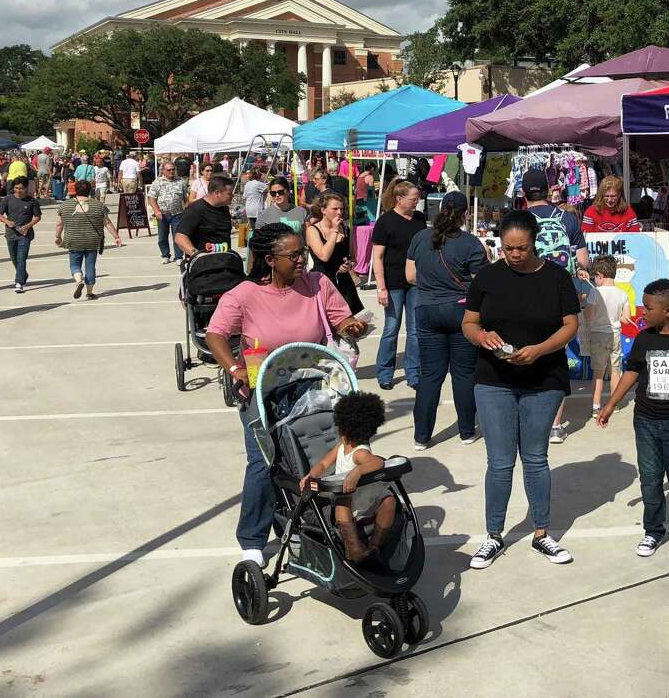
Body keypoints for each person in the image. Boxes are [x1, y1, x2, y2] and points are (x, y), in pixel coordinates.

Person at [205, 223, 368, 567]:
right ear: (269, 260)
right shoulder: (244, 295)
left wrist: (354, 326)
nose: (302, 261)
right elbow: (216, 334)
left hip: (313, 386)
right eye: (293, 255)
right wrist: (234, 369)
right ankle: (252, 537)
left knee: (328, 452)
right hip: (262, 387)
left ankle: (321, 525)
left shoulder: (317, 283)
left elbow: (344, 320)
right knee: (264, 461)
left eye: (303, 254)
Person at [460, 210, 580, 569]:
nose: (514, 255)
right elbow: (469, 322)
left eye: (522, 248)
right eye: (508, 248)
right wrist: (481, 337)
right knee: (499, 462)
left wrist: (540, 350)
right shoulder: (488, 276)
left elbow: (571, 324)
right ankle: (494, 534)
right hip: (494, 380)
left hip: (544, 380)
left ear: (535, 242)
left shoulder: (557, 277)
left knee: (535, 457)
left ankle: (542, 533)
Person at [597, 279, 669, 558]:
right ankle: (653, 531)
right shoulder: (644, 339)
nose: (642, 313)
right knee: (650, 478)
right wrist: (611, 404)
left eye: (648, 307)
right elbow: (632, 373)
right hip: (646, 421)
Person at [405, 191, 488, 449]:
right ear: (466, 214)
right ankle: (466, 431)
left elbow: (409, 276)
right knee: (463, 374)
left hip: (427, 309)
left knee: (430, 375)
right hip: (460, 310)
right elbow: (482, 283)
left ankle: (421, 436)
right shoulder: (470, 243)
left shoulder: (420, 237)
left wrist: (432, 285)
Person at [521, 167, 590, 443]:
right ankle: (556, 425)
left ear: (523, 193)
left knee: (527, 353)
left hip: (526, 294)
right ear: (550, 191)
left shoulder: (518, 220)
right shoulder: (567, 218)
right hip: (561, 294)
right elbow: (583, 261)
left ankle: (528, 420)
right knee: (555, 356)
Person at [298, 391, 398, 561]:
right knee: (344, 501)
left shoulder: (360, 453)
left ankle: (372, 546)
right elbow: (323, 464)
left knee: (388, 502)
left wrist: (357, 471)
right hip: (350, 493)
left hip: (362, 494)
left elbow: (377, 463)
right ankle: (355, 547)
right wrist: (310, 475)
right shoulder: (342, 445)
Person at [371, 179, 426, 391]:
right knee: (391, 328)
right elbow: (378, 257)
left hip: (415, 282)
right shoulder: (385, 222)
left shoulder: (420, 219)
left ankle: (413, 372)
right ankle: (385, 373)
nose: (416, 203)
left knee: (415, 330)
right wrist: (381, 287)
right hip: (392, 283)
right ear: (399, 198)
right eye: (413, 199)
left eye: (417, 199)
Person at [55, 180, 121, 300]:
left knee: (74, 265)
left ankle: (79, 279)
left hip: (73, 240)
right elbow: (107, 223)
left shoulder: (65, 205)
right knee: (90, 266)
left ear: (75, 190)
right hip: (92, 240)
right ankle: (89, 292)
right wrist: (116, 237)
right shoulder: (99, 205)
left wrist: (58, 237)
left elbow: (60, 224)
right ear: (89, 190)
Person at [584, 256, 632, 417]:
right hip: (615, 334)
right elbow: (626, 319)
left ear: (600, 275)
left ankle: (596, 407)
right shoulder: (622, 294)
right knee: (615, 371)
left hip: (598, 335)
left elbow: (588, 316)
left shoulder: (594, 292)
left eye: (594, 277)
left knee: (598, 373)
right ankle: (614, 404)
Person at [306, 191, 363, 314]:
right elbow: (324, 256)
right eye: (335, 208)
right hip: (322, 281)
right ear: (323, 210)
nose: (339, 212)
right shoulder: (313, 230)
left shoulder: (346, 229)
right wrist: (334, 231)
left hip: (343, 281)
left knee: (347, 325)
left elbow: (352, 256)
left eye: (341, 209)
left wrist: (349, 265)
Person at [0, 177, 41, 294]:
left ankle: (19, 282)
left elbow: (37, 217)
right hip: (11, 234)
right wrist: (7, 222)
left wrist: (28, 226)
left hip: (25, 235)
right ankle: (23, 274)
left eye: (21, 188)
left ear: (26, 188)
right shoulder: (7, 199)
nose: (18, 190)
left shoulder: (32, 201)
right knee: (14, 258)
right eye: (16, 188)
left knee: (21, 258)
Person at [175, 174, 234, 257]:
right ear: (217, 193)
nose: (232, 196)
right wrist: (197, 254)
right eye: (229, 194)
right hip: (204, 265)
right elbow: (180, 237)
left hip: (224, 261)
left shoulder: (224, 208)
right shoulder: (195, 209)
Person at [147, 161, 187, 264]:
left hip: (177, 213)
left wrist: (186, 210)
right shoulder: (157, 182)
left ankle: (179, 256)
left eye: (173, 169)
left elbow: (185, 198)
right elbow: (151, 198)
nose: (171, 171)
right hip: (162, 214)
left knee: (178, 236)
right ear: (163, 171)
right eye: (169, 170)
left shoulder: (180, 181)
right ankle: (165, 255)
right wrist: (156, 211)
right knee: (162, 236)